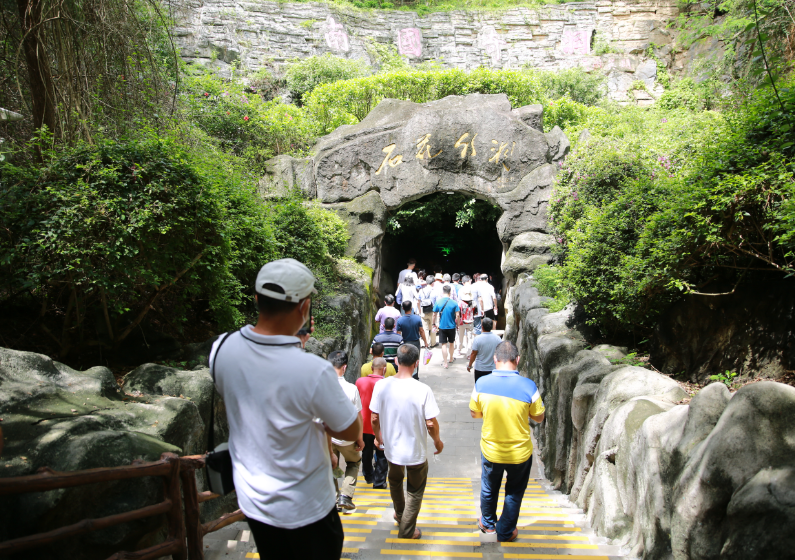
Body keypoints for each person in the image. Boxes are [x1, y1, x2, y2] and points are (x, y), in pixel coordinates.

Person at [210, 258, 362, 560]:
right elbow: (349, 429)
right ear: (304, 308)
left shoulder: (221, 348)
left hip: (254, 501)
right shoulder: (313, 371)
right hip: (307, 508)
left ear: (256, 299)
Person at [469, 340, 545, 543]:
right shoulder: (529, 386)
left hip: (491, 449)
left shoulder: (481, 384)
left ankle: (487, 523)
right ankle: (506, 530)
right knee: (514, 491)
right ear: (517, 359)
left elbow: (475, 413)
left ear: (495, 359)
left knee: (488, 487)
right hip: (520, 453)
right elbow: (539, 417)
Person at [371, 344, 444, 540]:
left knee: (394, 481)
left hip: (391, 449)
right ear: (416, 364)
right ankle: (407, 529)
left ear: (396, 361)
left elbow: (374, 418)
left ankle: (401, 514)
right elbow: (430, 422)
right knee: (415, 489)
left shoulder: (381, 385)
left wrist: (378, 439)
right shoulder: (423, 389)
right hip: (415, 450)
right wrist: (437, 441)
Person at [327, 351, 365, 512]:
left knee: (329, 465)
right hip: (347, 437)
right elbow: (358, 417)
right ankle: (346, 496)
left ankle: (334, 496)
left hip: (328, 437)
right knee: (354, 462)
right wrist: (360, 438)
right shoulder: (351, 389)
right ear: (345, 367)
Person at [356, 357, 389, 489]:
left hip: (363, 423)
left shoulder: (359, 381)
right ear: (384, 369)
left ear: (371, 368)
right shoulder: (386, 384)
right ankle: (379, 481)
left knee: (366, 451)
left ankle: (368, 475)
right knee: (381, 453)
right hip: (381, 425)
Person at [397, 300, 430, 379]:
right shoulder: (417, 318)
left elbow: (398, 334)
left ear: (403, 308)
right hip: (415, 343)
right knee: (415, 360)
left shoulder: (400, 320)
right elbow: (421, 331)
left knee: (405, 360)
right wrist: (425, 342)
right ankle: (415, 377)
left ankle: (406, 376)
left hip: (405, 343)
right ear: (411, 308)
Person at [432, 285, 460, 369]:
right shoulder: (454, 303)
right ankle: (451, 358)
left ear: (442, 292)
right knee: (451, 343)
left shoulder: (438, 302)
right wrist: (457, 324)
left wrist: (433, 324)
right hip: (452, 326)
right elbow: (458, 315)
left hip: (442, 326)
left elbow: (434, 314)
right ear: (450, 292)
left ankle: (445, 362)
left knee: (443, 344)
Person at [466, 317, 501, 382]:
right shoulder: (498, 339)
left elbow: (473, 354)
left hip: (480, 369)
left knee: (479, 389)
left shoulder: (477, 339)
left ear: (482, 327)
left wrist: (469, 365)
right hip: (492, 369)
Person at [418, 278, 436, 348]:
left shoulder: (421, 290)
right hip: (432, 311)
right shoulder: (434, 291)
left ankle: (426, 343)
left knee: (425, 328)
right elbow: (436, 302)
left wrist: (419, 310)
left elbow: (418, 301)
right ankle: (433, 343)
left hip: (423, 310)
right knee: (432, 327)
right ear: (432, 283)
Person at [457, 293, 475, 358]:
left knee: (460, 337)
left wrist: (457, 323)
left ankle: (459, 350)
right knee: (470, 338)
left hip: (462, 322)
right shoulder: (473, 303)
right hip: (470, 322)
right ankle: (469, 354)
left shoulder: (460, 303)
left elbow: (458, 313)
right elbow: (475, 312)